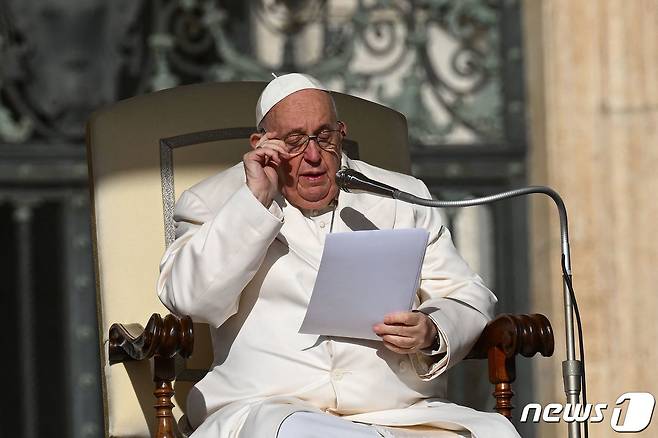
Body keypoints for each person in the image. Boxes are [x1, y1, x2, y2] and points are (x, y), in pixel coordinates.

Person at [157, 73, 520, 438]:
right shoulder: (214, 201)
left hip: (399, 413)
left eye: (325, 137)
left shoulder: (401, 197)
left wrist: (432, 330)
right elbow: (190, 299)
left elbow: (467, 294)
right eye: (295, 141)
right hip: (270, 412)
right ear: (262, 143)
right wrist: (255, 202)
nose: (313, 156)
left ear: (341, 133)